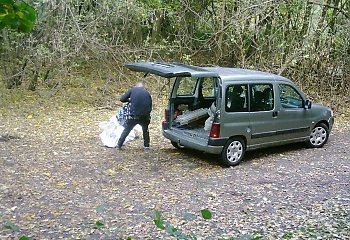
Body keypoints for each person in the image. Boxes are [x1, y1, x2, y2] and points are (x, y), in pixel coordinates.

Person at [116, 82, 152, 150]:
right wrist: (148, 114)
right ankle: (146, 146)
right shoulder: (147, 93)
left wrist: (129, 100)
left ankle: (119, 145)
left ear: (135, 86)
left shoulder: (132, 90)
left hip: (134, 115)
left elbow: (122, 99)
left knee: (127, 129)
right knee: (145, 130)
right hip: (145, 115)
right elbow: (150, 105)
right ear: (143, 87)